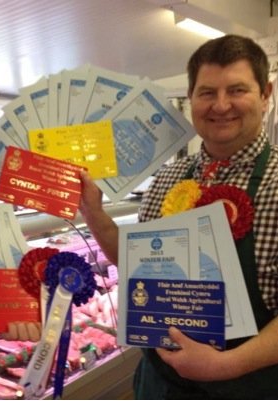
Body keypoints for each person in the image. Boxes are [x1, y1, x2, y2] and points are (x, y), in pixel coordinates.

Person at [80, 34, 278, 399]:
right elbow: (138, 263)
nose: (221, 105)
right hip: (159, 385)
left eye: (237, 90)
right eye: (206, 93)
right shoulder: (168, 178)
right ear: (191, 100)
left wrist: (225, 365)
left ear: (265, 94)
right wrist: (94, 212)